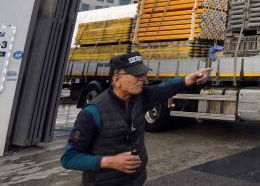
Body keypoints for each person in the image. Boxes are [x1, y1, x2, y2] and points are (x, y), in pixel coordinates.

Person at [61, 52, 211, 185]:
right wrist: (109, 162)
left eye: (143, 74)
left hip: (136, 180)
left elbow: (166, 88)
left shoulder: (141, 97)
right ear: (117, 79)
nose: (143, 79)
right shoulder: (92, 112)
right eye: (136, 75)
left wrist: (190, 78)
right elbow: (69, 157)